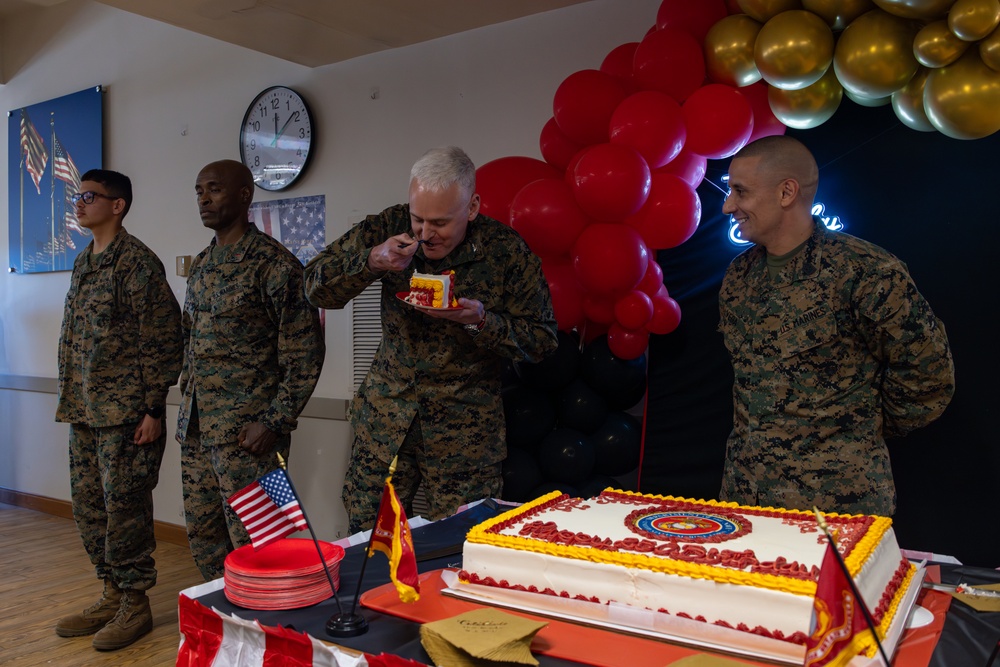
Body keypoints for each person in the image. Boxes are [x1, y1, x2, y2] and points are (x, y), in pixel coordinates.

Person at [304, 146, 558, 533]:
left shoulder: (505, 251)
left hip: (465, 437)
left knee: (461, 546)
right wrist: (371, 261)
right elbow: (314, 287)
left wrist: (480, 320)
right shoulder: (389, 228)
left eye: (440, 222)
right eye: (418, 218)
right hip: (385, 426)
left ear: (472, 207)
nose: (425, 233)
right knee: (370, 543)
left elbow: (542, 341)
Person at [718, 135, 955, 516]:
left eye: (740, 192)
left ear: (786, 192)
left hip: (836, 503)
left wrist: (853, 432)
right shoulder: (739, 276)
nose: (729, 205)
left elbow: (928, 377)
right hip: (746, 497)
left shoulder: (866, 272)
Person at [177, 160, 325, 581]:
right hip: (199, 431)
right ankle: (228, 624)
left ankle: (273, 629)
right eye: (198, 190)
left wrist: (274, 422)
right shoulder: (202, 265)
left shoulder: (274, 265)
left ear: (245, 196)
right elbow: (191, 342)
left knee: (267, 541)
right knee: (206, 538)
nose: (204, 198)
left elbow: (305, 354)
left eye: (214, 189)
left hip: (250, 438)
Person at [54, 169, 182, 650]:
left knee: (125, 510)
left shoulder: (137, 264)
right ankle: (110, 592)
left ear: (118, 205)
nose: (79, 203)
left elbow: (165, 337)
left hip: (127, 415)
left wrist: (153, 408)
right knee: (90, 510)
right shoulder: (84, 262)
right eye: (78, 195)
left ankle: (135, 604)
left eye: (89, 196)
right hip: (86, 411)